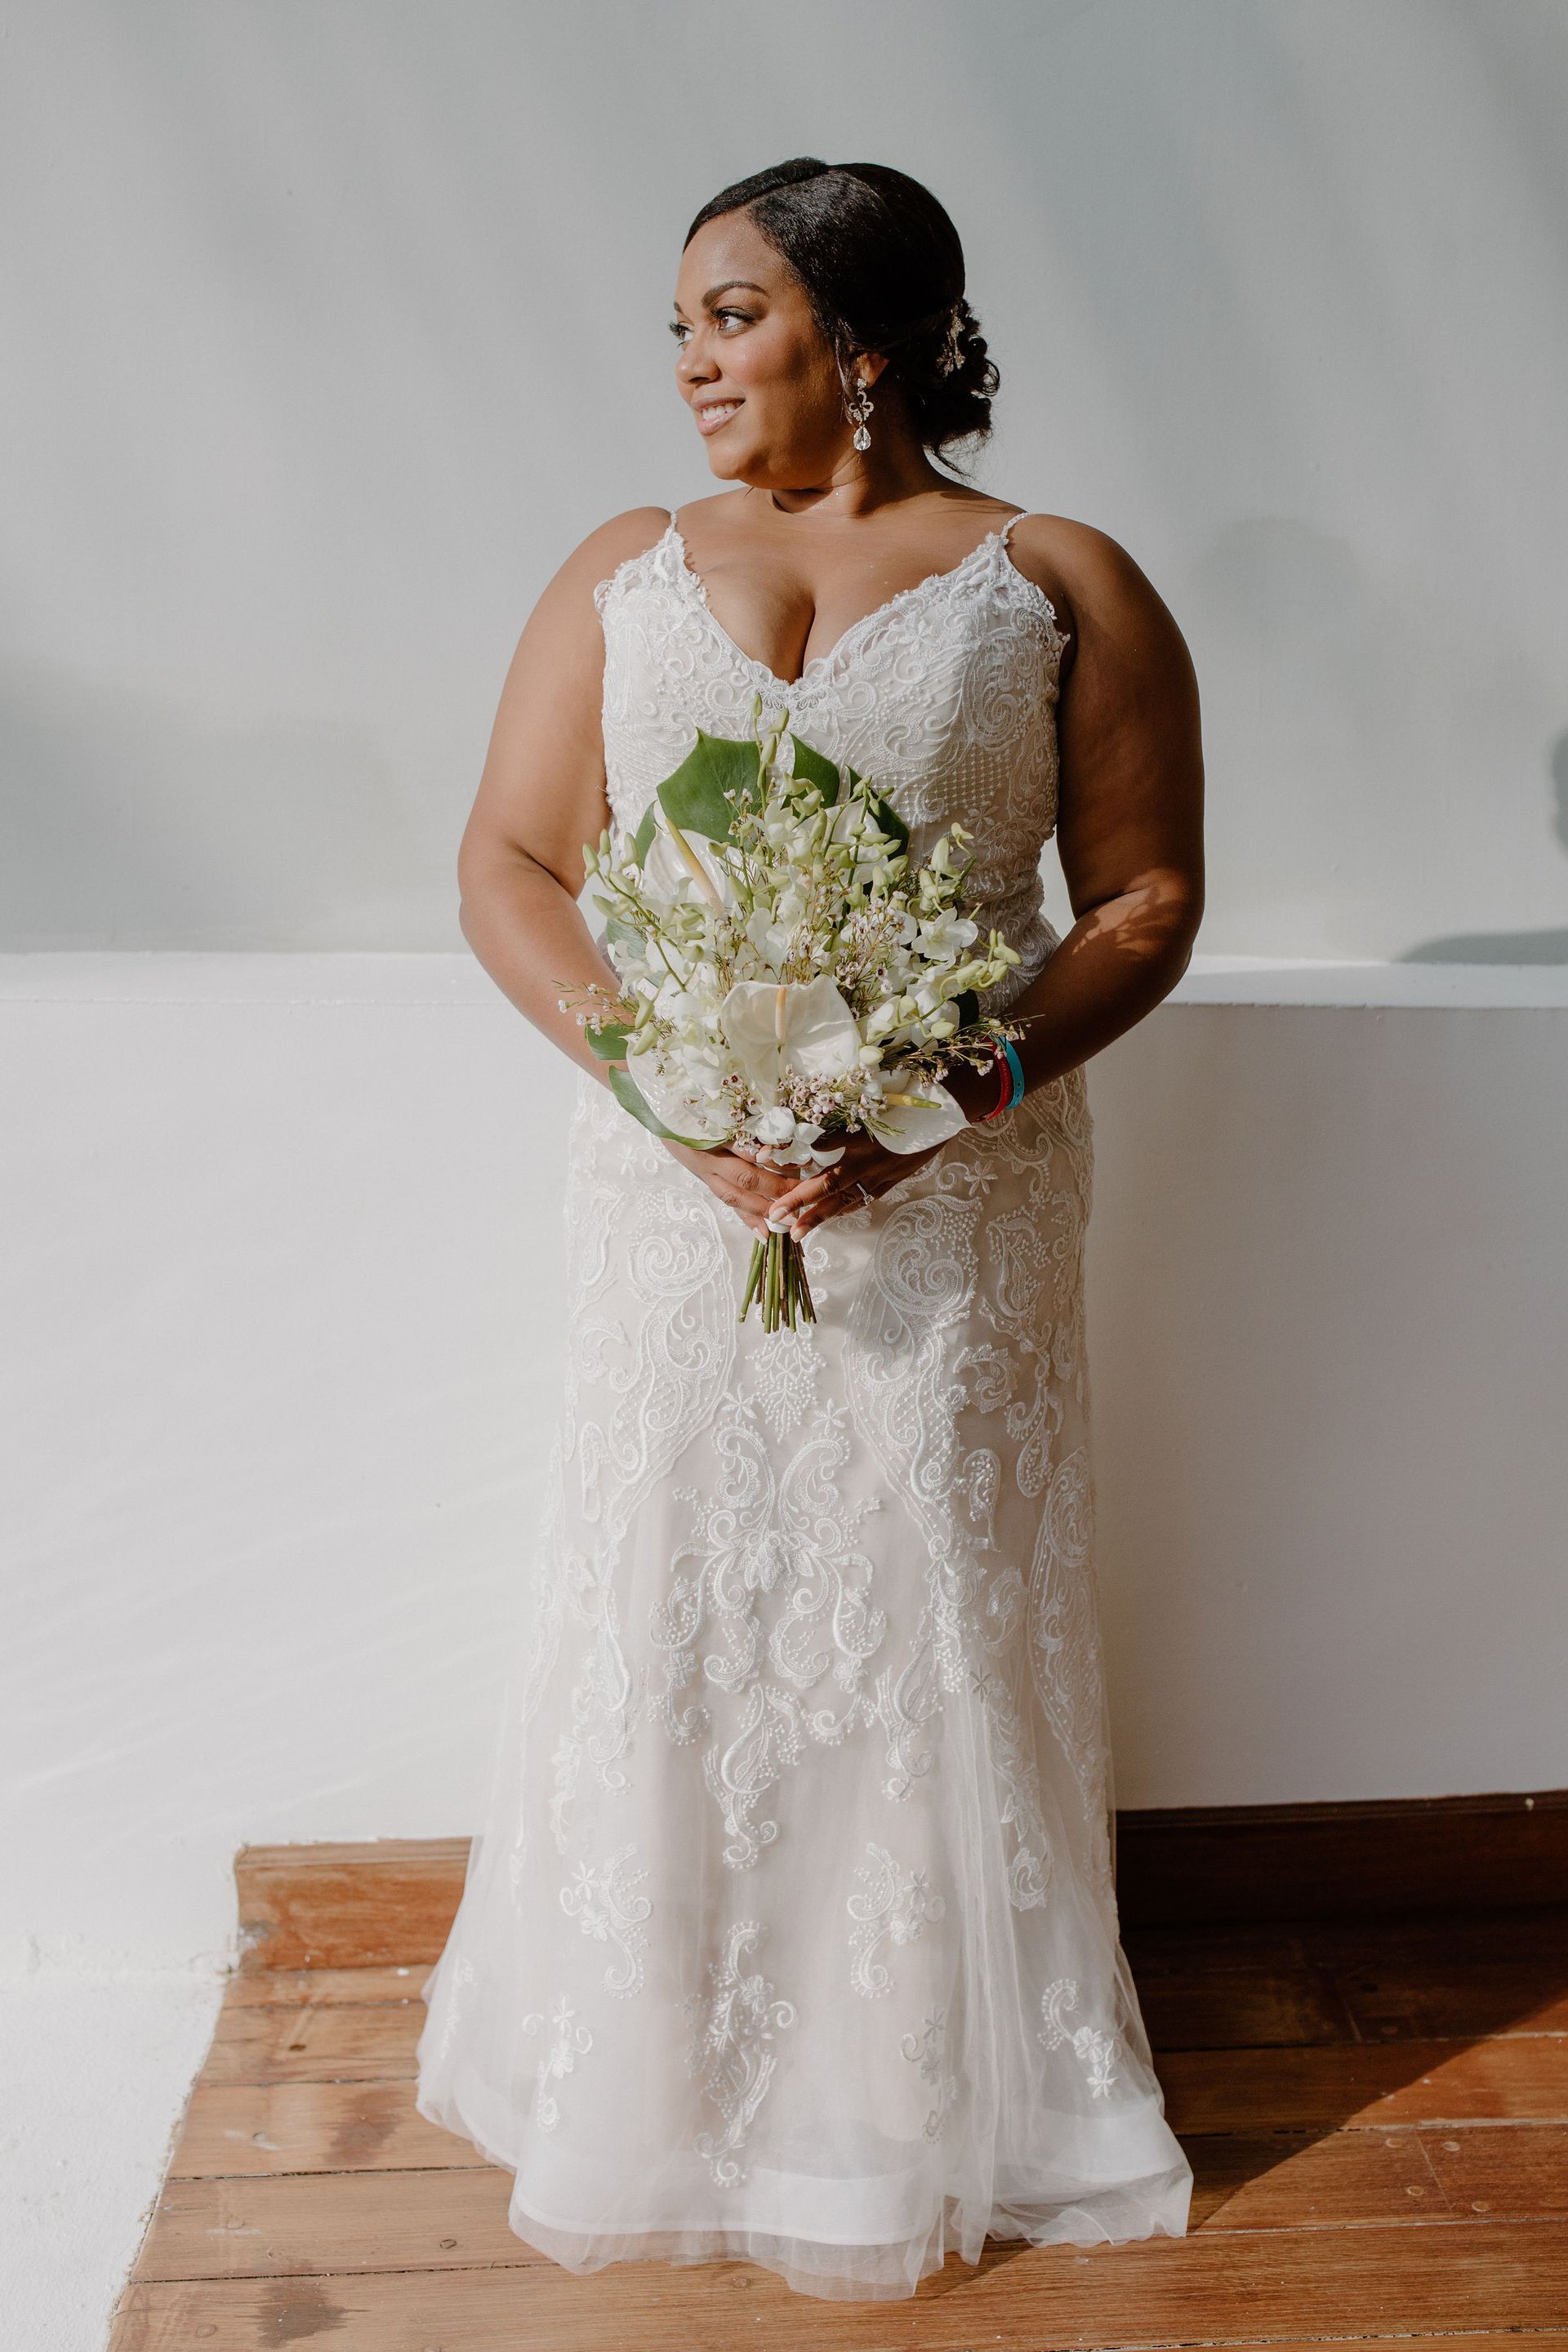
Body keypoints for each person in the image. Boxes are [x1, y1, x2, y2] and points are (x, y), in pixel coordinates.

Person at [415, 155, 1205, 2304]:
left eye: (729, 316)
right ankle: (654, 2065)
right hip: (676, 1202)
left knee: (923, 1600)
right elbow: (508, 856)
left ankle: (925, 2081)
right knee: (678, 1588)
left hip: (954, 1203)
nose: (686, 362)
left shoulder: (1060, 580)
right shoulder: (622, 568)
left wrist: (943, 1099)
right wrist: (671, 1095)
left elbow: (1142, 902)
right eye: (678, 320)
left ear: (860, 343)